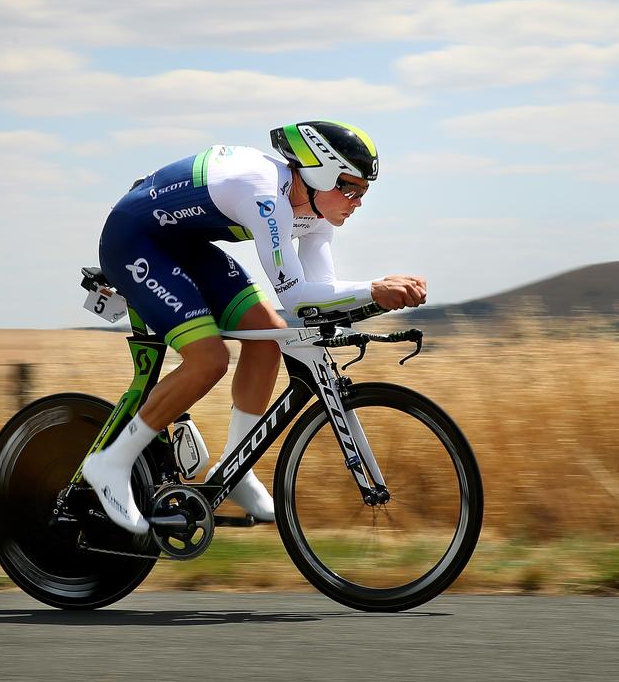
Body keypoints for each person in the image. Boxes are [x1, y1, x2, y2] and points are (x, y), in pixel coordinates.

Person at [82, 121, 427, 533]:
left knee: (267, 340)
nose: (357, 202)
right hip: (134, 241)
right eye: (349, 188)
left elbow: (321, 293)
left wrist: (371, 299)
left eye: (363, 193)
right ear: (319, 174)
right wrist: (374, 289)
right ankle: (111, 463)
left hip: (184, 247)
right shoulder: (266, 195)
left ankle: (235, 468)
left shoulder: (315, 213)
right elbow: (297, 294)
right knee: (209, 360)